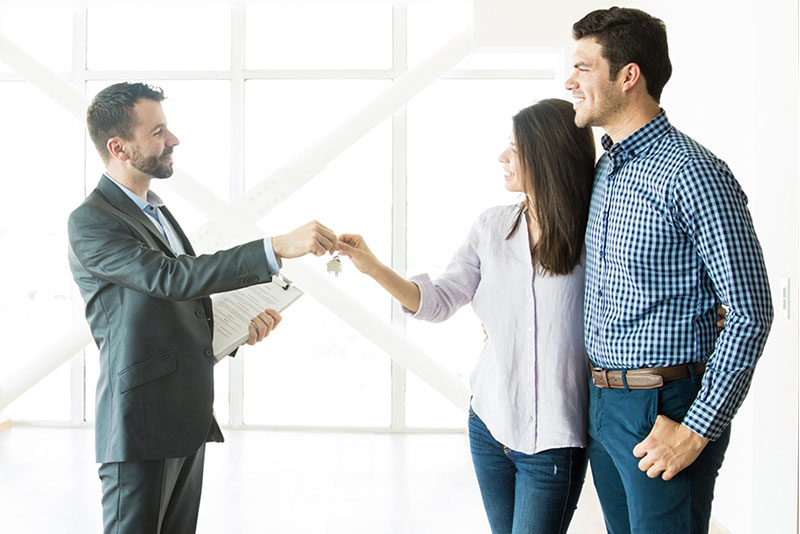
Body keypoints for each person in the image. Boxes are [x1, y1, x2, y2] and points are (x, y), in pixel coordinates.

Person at [68, 82, 337, 534]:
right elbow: (171, 279)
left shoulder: (155, 211)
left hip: (185, 416)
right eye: (157, 132)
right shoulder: (92, 221)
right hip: (140, 427)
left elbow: (174, 304)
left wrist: (233, 332)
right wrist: (274, 247)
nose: (173, 140)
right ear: (119, 147)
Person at [337, 98, 596, 534]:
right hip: (489, 424)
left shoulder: (596, 232)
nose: (503, 157)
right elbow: (438, 301)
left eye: (514, 149)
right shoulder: (492, 226)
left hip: (555, 439)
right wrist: (374, 267)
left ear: (548, 155)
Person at [564, 7, 773, 534]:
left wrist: (696, 429)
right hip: (603, 403)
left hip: (666, 405)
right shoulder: (605, 169)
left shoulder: (693, 171)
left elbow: (750, 310)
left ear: (628, 75)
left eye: (584, 68)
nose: (570, 81)